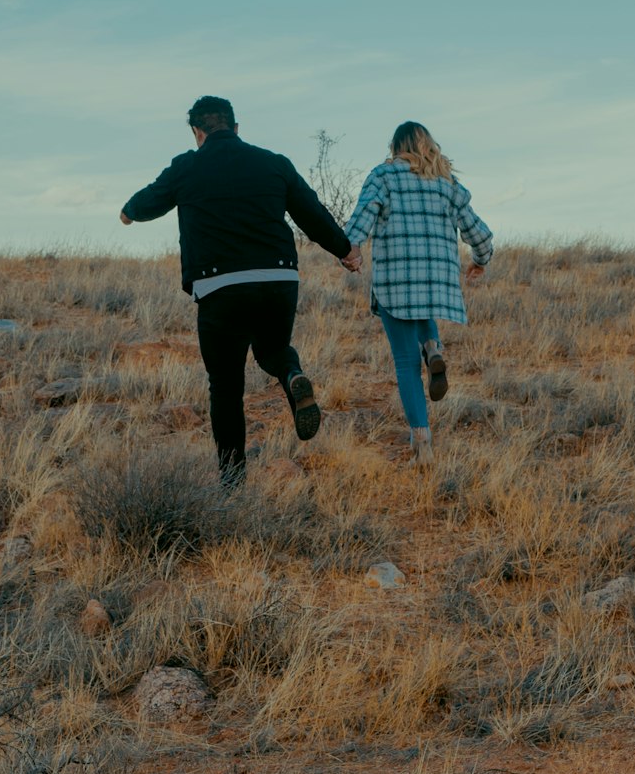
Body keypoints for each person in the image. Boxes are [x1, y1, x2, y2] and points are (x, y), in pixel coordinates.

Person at [120, 96, 361, 484]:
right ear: (236, 127)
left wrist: (128, 212)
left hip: (221, 286)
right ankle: (292, 375)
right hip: (278, 279)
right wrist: (345, 250)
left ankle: (232, 484)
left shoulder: (187, 166)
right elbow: (311, 213)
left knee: (227, 387)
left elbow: (148, 200)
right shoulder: (274, 163)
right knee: (273, 350)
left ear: (198, 132)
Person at [344, 121, 493, 464]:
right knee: (422, 304)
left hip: (396, 279)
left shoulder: (383, 177)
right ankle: (432, 345)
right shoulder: (447, 184)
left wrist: (350, 254)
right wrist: (480, 261)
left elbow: (358, 225)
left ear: (395, 148)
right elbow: (480, 234)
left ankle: (422, 445)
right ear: (428, 145)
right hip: (437, 278)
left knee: (405, 364)